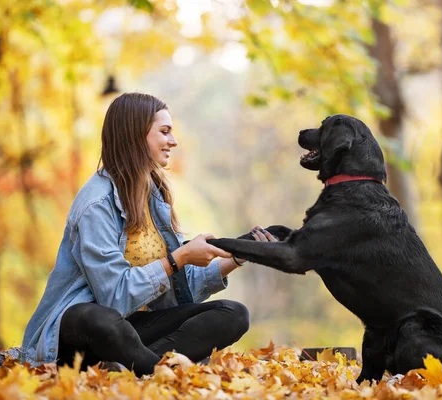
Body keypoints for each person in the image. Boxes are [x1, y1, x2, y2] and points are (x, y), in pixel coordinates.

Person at [21, 92, 278, 376]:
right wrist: (178, 258)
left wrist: (240, 256)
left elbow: (182, 289)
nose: (173, 141)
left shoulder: (154, 196)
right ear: (135, 135)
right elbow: (115, 298)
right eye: (164, 131)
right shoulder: (96, 203)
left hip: (134, 332)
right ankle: (158, 372)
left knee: (234, 314)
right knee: (99, 319)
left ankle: (140, 369)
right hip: (85, 335)